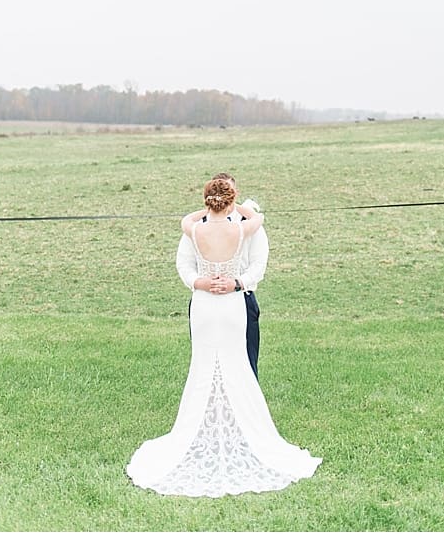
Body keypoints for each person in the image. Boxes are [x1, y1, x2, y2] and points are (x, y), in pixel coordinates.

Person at [126, 177, 320, 496]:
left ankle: (231, 426)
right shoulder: (241, 229)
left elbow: (188, 222)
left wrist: (210, 209)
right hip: (228, 305)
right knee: (225, 365)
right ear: (232, 199)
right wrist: (235, 206)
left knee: (219, 366)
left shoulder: (195, 229)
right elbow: (257, 218)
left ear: (207, 200)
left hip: (213, 303)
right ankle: (221, 427)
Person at [175, 172, 268, 377]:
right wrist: (199, 282)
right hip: (204, 300)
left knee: (246, 363)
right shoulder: (245, 226)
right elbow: (184, 264)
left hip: (241, 297)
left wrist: (237, 283)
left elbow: (258, 265)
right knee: (205, 362)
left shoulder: (194, 227)